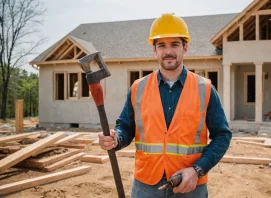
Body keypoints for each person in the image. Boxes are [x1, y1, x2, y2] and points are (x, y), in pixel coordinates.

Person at [98, 13, 232, 198]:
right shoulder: (138, 88)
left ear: (185, 47)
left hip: (190, 184)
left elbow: (222, 136)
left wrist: (197, 170)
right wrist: (115, 138)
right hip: (146, 185)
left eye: (174, 44)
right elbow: (125, 128)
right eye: (161, 45)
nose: (168, 51)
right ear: (154, 50)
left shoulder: (205, 89)